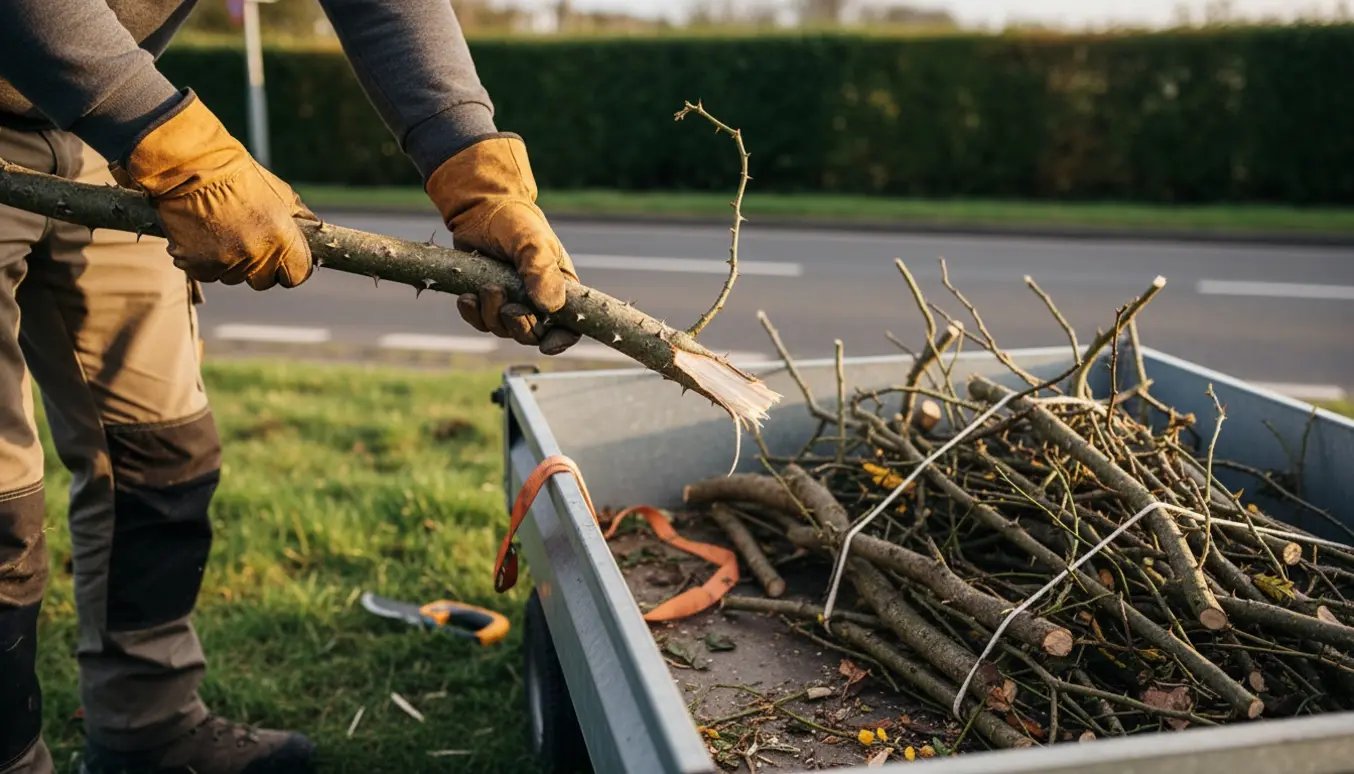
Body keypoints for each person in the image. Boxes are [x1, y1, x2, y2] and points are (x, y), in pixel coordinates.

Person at [0, 2, 582, 772]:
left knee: (160, 453)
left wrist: (479, 178)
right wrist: (176, 143)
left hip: (96, 130)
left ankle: (149, 726)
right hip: (115, 109)